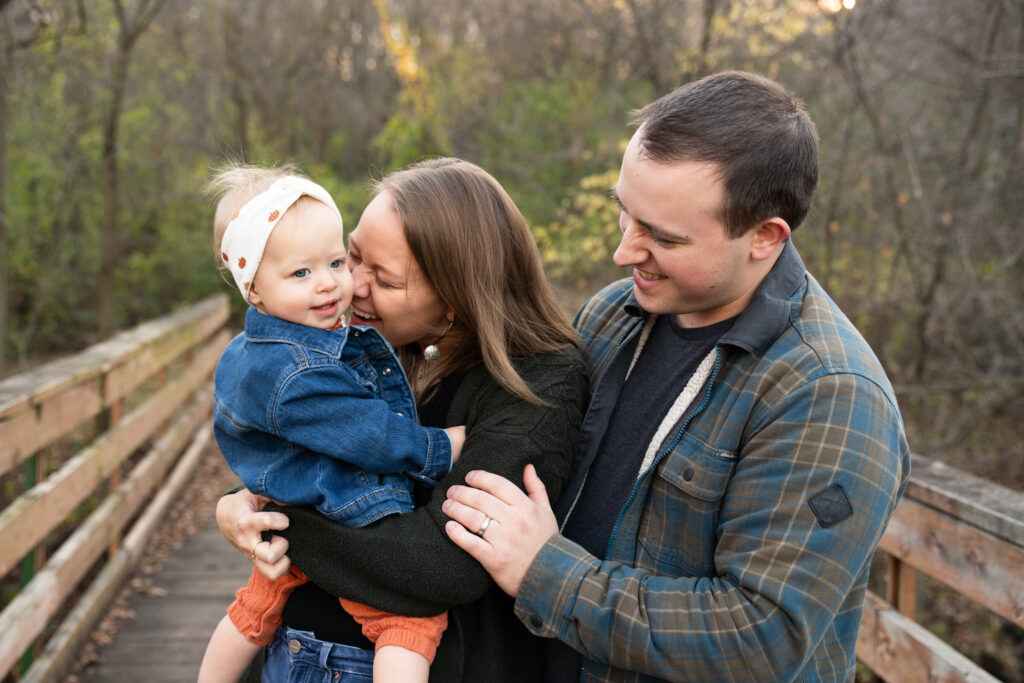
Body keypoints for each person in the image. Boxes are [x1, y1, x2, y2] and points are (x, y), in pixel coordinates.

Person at [442, 70, 912, 681]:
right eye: (624, 214)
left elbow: (760, 636)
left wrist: (545, 573)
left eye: (663, 237)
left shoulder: (830, 395)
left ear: (764, 238)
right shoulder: (613, 315)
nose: (625, 251)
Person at [214, 157, 589, 681]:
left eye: (383, 279)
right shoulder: (372, 348)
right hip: (297, 652)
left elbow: (444, 564)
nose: (349, 287)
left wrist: (283, 523)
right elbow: (319, 456)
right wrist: (241, 502)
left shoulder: (536, 385)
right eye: (353, 256)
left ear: (454, 300)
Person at [198, 166, 468, 683]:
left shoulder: (255, 351)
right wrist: (438, 449)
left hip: (297, 505)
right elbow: (369, 432)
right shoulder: (297, 370)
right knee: (409, 620)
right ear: (253, 290)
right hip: (344, 506)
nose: (329, 284)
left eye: (335, 262)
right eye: (300, 274)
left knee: (257, 602)